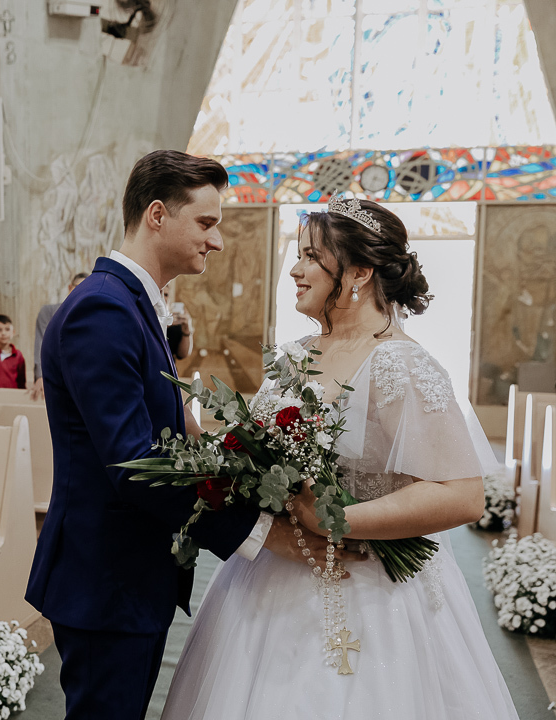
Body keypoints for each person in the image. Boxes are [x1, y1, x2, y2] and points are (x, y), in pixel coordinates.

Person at [161, 198, 517, 720]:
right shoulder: (296, 353)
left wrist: (338, 518)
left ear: (359, 272)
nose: (295, 269)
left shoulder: (402, 365)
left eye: (309, 256)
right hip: (272, 575)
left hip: (375, 595)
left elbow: (462, 496)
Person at [25, 150, 350, 720]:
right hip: (107, 579)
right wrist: (263, 535)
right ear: (157, 215)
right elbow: (135, 465)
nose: (218, 240)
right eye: (206, 222)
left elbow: (167, 431)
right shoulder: (101, 310)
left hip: (130, 574)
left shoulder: (134, 305)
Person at [29, 272, 88, 401]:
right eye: (77, 286)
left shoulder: (92, 316)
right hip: (53, 376)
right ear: (70, 287)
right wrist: (40, 376)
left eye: (86, 287)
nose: (81, 291)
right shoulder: (48, 312)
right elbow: (41, 343)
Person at [161, 281, 193, 361]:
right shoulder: (144, 317)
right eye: (160, 293)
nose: (163, 298)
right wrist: (164, 326)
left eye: (166, 295)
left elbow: (182, 354)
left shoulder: (175, 324)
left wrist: (187, 329)